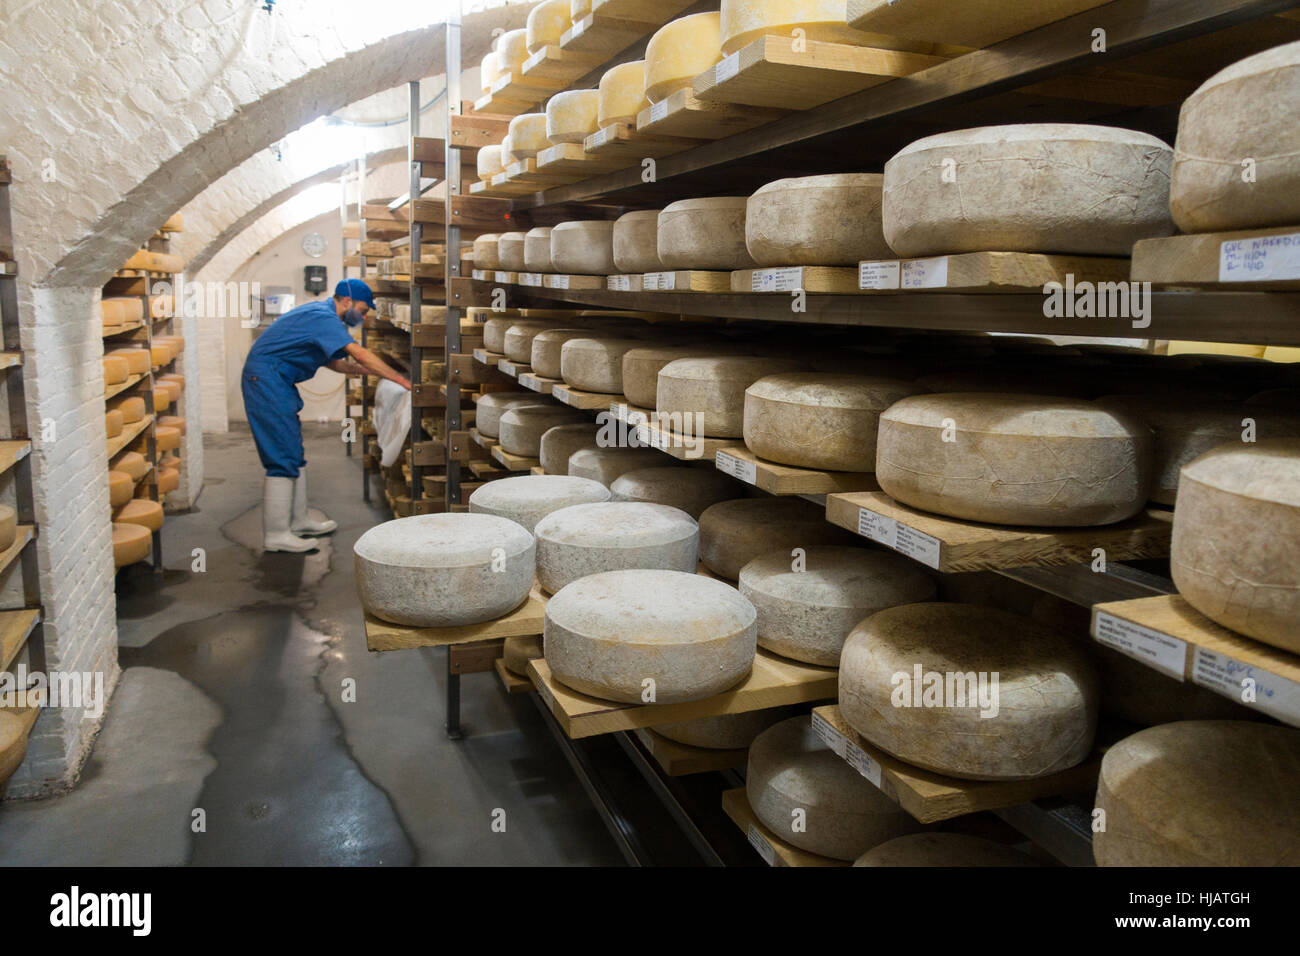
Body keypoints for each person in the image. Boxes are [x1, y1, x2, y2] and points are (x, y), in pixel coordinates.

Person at [242, 278, 410, 553]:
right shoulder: (323, 317)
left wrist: (361, 371)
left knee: (294, 452)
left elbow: (331, 362)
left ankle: (298, 521)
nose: (363, 316)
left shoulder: (321, 315)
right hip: (266, 380)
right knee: (281, 455)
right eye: (363, 310)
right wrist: (401, 381)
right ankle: (276, 534)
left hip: (276, 380)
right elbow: (359, 353)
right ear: (347, 301)